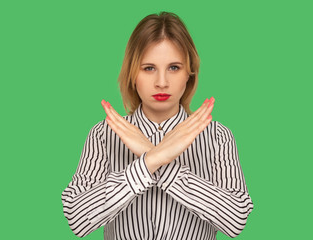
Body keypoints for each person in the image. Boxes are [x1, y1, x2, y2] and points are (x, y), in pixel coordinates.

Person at [61, 11, 253, 239]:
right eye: (148, 68)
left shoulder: (217, 136)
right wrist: (151, 160)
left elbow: (236, 219)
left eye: (174, 67)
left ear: (189, 74)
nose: (162, 82)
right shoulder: (104, 134)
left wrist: (158, 162)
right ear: (132, 73)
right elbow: (77, 218)